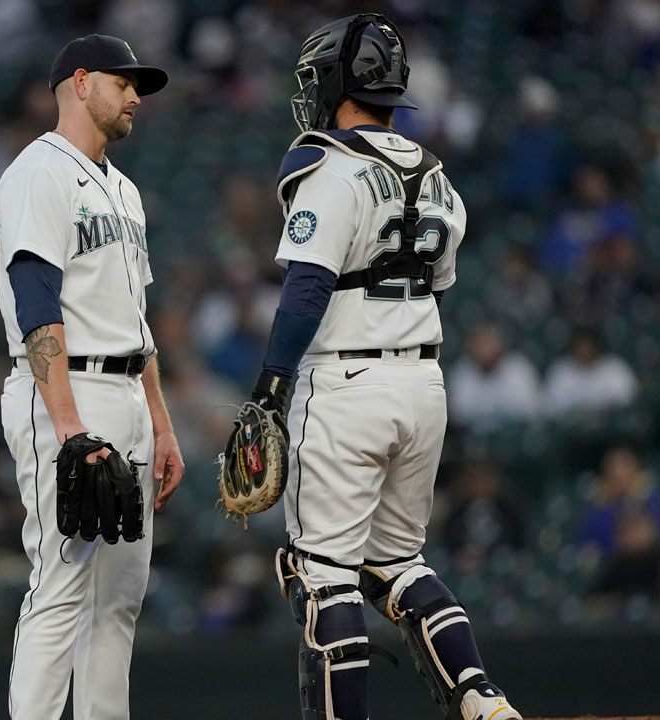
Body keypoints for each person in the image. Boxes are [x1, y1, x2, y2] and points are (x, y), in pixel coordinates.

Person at [243, 14, 521, 720]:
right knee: (399, 563)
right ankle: (481, 699)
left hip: (345, 383)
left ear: (338, 82)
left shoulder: (329, 167)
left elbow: (307, 289)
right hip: (422, 382)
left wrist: (270, 387)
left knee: (324, 575)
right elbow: (439, 280)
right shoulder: (437, 176)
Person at [0, 35, 185, 720]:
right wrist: (69, 426)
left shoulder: (125, 191)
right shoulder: (37, 173)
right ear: (79, 82)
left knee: (119, 601)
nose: (135, 96)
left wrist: (160, 422)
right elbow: (35, 303)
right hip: (63, 394)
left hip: (126, 389)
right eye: (123, 81)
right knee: (61, 587)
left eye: (139, 86)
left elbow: (137, 319)